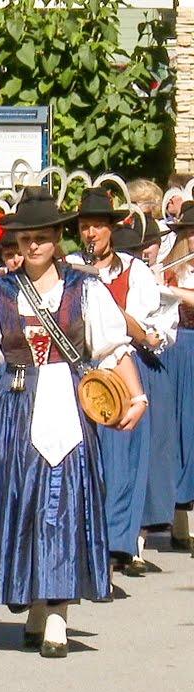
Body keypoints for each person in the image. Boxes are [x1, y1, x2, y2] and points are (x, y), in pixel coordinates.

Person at [0, 189, 145, 658]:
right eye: (26, 238)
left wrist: (136, 396)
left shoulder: (86, 289)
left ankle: (58, 611)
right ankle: (36, 600)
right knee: (20, 502)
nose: (33, 246)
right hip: (15, 406)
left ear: (58, 237)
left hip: (70, 406)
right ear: (15, 241)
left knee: (62, 506)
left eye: (42, 237)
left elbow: (113, 348)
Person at [67, 192, 176, 576]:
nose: (91, 232)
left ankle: (120, 544)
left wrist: (110, 314)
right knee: (85, 459)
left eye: (97, 225)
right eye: (85, 225)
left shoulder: (136, 271)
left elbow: (150, 332)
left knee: (125, 462)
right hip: (79, 368)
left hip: (123, 365)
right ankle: (86, 541)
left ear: (111, 229)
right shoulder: (68, 267)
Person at [161, 202, 194, 553]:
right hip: (177, 351)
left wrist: (171, 291)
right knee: (178, 430)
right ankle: (180, 521)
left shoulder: (174, 282)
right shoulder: (172, 270)